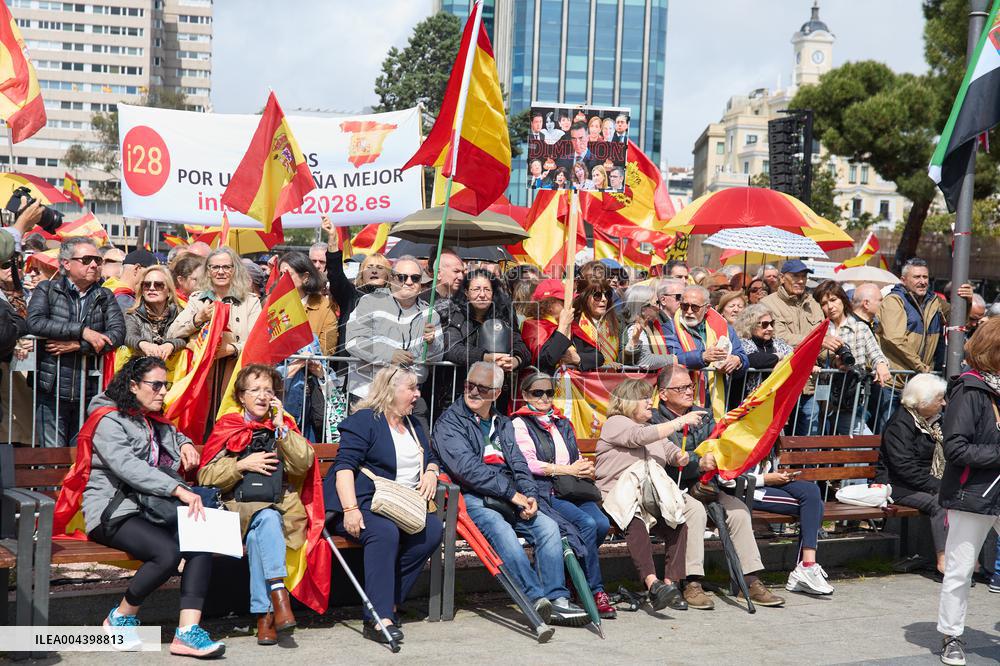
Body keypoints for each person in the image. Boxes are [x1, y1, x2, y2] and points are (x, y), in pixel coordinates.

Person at [79, 356, 225, 658]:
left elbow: (173, 434)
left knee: (202, 537)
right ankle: (120, 617)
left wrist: (185, 444)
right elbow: (128, 466)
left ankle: (187, 632)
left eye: (165, 385)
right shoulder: (108, 419)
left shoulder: (150, 417)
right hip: (112, 511)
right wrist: (176, 489)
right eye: (156, 385)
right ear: (134, 386)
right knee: (167, 553)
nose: (163, 392)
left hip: (151, 508)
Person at [434, 362, 589, 628]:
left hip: (509, 493)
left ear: (496, 393)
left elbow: (519, 464)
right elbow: (468, 470)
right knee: (501, 530)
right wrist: (512, 494)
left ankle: (557, 599)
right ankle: (536, 598)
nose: (473, 392)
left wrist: (529, 495)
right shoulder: (449, 422)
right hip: (472, 495)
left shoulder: (503, 423)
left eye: (482, 388)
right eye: (469, 385)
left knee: (548, 527)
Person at [198, 364, 318, 647]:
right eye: (255, 390)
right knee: (266, 520)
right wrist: (241, 465)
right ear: (241, 396)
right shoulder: (228, 426)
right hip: (235, 509)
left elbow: (303, 464)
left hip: (278, 507)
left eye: (268, 390)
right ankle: (277, 597)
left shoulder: (282, 425)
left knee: (262, 529)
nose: (263, 396)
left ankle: (264, 615)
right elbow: (205, 476)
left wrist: (281, 428)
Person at [324, 366, 443, 643]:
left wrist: (431, 471)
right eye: (411, 388)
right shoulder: (365, 421)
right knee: (385, 532)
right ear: (390, 390)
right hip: (362, 503)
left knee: (432, 530)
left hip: (399, 506)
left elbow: (431, 456)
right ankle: (379, 618)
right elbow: (344, 468)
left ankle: (386, 600)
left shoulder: (414, 425)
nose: (417, 394)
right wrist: (351, 510)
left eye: (417, 388)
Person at [652, 364, 786, 609]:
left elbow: (718, 446)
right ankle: (692, 581)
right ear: (663, 394)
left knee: (739, 512)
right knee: (695, 512)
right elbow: (661, 460)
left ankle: (749, 581)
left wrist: (723, 458)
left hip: (706, 486)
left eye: (690, 386)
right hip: (668, 488)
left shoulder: (704, 416)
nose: (689, 391)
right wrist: (697, 462)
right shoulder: (654, 420)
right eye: (681, 388)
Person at [511, 371, 616, 619]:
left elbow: (574, 455)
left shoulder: (561, 421)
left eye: (549, 392)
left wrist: (585, 467)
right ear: (525, 395)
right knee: (586, 524)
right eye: (537, 393)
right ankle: (594, 590)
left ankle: (573, 576)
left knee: (601, 524)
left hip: (572, 487)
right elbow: (528, 463)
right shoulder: (520, 423)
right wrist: (568, 470)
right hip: (546, 490)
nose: (544, 398)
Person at [595, 378, 698, 610]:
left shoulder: (651, 429)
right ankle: (653, 585)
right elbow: (638, 437)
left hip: (650, 499)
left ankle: (671, 585)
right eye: (644, 399)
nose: (650, 403)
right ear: (628, 402)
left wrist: (679, 457)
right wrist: (680, 422)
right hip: (617, 497)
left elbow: (669, 449)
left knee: (678, 524)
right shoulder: (616, 423)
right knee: (635, 520)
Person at [936, 318, 1000, 666]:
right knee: (960, 569)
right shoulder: (969, 390)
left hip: (994, 490)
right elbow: (956, 448)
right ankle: (951, 635)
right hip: (971, 493)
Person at [27, 237, 126, 447]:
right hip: (51, 389)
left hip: (89, 390)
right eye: (87, 259)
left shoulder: (105, 295)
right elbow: (35, 323)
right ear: (66, 263)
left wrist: (79, 345)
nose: (94, 265)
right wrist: (83, 331)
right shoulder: (47, 289)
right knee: (52, 455)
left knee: (80, 454)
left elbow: (117, 334)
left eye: (98, 260)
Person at [345, 256, 443, 428]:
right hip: (369, 394)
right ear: (391, 279)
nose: (409, 282)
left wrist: (432, 343)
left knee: (420, 443)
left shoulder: (430, 314)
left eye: (415, 278)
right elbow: (354, 341)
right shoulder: (369, 302)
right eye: (402, 277)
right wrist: (390, 355)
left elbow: (437, 356)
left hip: (410, 398)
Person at [874, 373, 949, 575]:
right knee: (941, 502)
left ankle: (966, 559)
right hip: (896, 485)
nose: (943, 403)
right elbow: (904, 467)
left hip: (920, 483)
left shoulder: (934, 423)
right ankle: (944, 562)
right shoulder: (901, 424)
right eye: (939, 399)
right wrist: (939, 485)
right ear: (922, 401)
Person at [167, 247, 262, 392]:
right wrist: (198, 318)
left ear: (235, 270)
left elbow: (257, 342)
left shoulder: (250, 302)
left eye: (226, 267)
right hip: (202, 381)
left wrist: (232, 349)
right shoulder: (197, 299)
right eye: (215, 267)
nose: (221, 271)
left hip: (236, 378)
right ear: (208, 271)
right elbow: (172, 333)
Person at [442, 269, 529, 413]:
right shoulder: (455, 315)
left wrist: (515, 360)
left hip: (496, 396)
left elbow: (521, 346)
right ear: (466, 292)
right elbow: (453, 349)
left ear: (493, 293)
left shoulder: (504, 315)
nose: (482, 294)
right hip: (460, 392)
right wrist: (485, 357)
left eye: (487, 289)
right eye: (476, 289)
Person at [813, 280, 891, 435]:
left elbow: (876, 354)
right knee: (822, 442)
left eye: (833, 300)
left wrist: (881, 365)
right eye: (824, 303)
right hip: (821, 398)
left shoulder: (859, 328)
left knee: (862, 441)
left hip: (848, 398)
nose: (830, 306)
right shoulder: (819, 330)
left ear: (843, 300)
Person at [760, 260, 827, 435]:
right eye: (795, 276)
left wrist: (834, 355)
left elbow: (823, 338)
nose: (801, 280)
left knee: (809, 435)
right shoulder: (767, 304)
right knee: (777, 433)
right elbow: (779, 337)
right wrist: (818, 341)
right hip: (782, 380)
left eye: (804, 276)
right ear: (782, 278)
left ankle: (804, 455)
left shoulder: (813, 304)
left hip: (809, 381)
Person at [877, 258, 945, 430]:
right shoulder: (894, 300)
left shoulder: (934, 301)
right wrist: (920, 366)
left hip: (919, 383)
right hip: (894, 383)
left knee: (916, 433)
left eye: (925, 277)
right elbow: (895, 338)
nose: (922, 281)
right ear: (903, 280)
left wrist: (966, 300)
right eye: (916, 277)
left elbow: (959, 318)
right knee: (890, 432)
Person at [276, 252, 337, 441]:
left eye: (288, 274)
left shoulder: (324, 306)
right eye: (280, 274)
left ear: (305, 277)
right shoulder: (271, 304)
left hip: (309, 388)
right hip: (281, 386)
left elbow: (327, 348)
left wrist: (309, 357)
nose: (283, 279)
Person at [664, 285, 746, 419]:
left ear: (707, 308)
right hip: (683, 399)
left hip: (715, 397)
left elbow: (742, 355)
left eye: (695, 307)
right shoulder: (670, 328)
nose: (688, 311)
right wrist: (702, 357)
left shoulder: (723, 327)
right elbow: (674, 357)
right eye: (684, 306)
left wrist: (737, 361)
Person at [321, 215, 392, 355]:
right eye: (369, 267)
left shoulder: (395, 301)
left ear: (387, 275)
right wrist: (333, 240)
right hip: (350, 365)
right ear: (362, 273)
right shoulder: (350, 296)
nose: (374, 271)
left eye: (379, 268)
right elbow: (335, 275)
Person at [124, 266, 186, 361]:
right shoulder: (132, 314)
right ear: (142, 290)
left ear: (169, 291)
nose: (151, 288)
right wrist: (143, 344)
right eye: (147, 285)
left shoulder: (180, 313)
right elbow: (130, 336)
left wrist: (171, 344)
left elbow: (187, 337)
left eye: (158, 285)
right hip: (142, 366)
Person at [520, 278, 580, 375]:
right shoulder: (532, 326)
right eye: (563, 301)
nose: (569, 305)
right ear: (548, 305)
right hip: (544, 382)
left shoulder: (571, 326)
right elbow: (547, 359)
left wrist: (578, 359)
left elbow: (597, 356)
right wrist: (563, 326)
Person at [733, 303, 793, 397]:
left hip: (774, 399)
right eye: (765, 324)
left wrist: (782, 362)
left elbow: (794, 357)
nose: (770, 328)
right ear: (751, 325)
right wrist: (778, 356)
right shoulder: (742, 342)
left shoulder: (778, 344)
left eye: (771, 323)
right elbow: (754, 360)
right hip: (747, 399)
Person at [621, 283, 676, 369]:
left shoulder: (655, 326)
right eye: (656, 303)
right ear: (643, 308)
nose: (659, 308)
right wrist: (674, 359)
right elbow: (646, 361)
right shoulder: (634, 329)